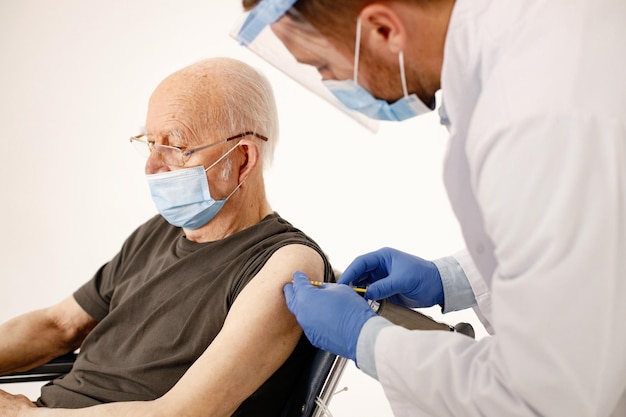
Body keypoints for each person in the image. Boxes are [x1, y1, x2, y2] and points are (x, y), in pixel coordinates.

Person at [234, 0, 626, 416]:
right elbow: (591, 248)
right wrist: (454, 279)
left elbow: (545, 397)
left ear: (383, 28)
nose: (332, 83)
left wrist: (368, 341)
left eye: (323, 66)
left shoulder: (528, 119)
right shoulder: (546, 34)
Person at [0, 57, 334, 417]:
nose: (151, 167)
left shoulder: (286, 264)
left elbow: (182, 413)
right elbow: (59, 325)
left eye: (174, 147)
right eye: (149, 143)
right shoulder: (159, 232)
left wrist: (20, 415)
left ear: (242, 158)